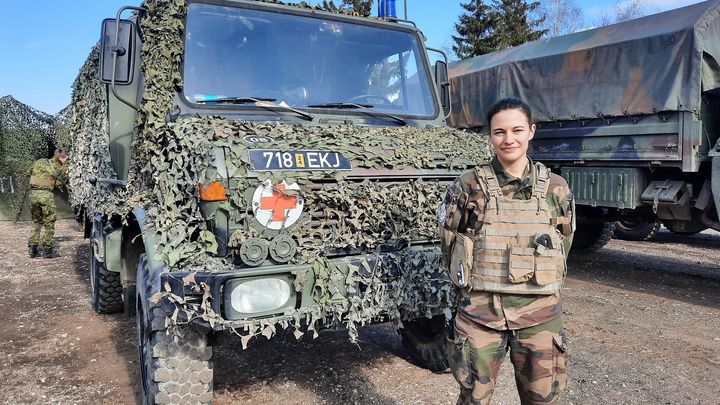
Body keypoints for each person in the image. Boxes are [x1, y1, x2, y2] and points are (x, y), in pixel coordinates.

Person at [438, 98, 575, 405]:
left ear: (531, 131)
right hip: (480, 316)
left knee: (542, 400)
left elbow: (563, 244)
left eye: (517, 130)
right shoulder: (468, 186)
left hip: (539, 318)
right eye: (499, 132)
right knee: (474, 398)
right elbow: (449, 242)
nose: (508, 139)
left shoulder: (556, 188)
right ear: (490, 136)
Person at [27, 149, 68, 258]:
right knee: (49, 222)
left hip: (33, 195)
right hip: (46, 196)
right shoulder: (58, 167)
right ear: (61, 157)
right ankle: (47, 250)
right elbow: (58, 185)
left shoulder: (39, 161)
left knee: (36, 221)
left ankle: (32, 248)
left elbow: (29, 172)